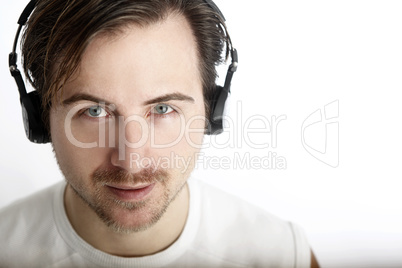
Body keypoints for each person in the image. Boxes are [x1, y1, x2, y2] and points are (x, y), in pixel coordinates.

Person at [1, 0, 319, 267]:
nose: (132, 161)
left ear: (212, 110)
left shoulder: (282, 254)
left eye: (163, 109)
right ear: (40, 117)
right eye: (94, 111)